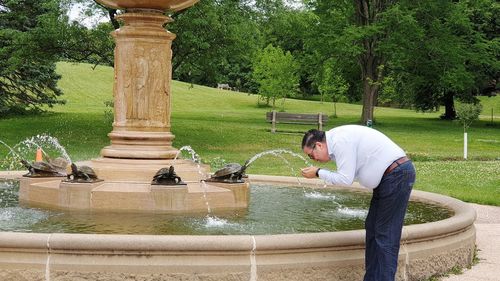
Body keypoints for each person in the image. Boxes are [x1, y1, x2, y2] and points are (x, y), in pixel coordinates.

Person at [301, 125, 416, 281]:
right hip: (389, 178)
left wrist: (318, 172)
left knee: (385, 234)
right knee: (373, 228)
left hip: (395, 175)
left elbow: (345, 179)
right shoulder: (337, 141)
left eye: (311, 155)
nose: (313, 159)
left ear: (319, 145)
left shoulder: (340, 141)